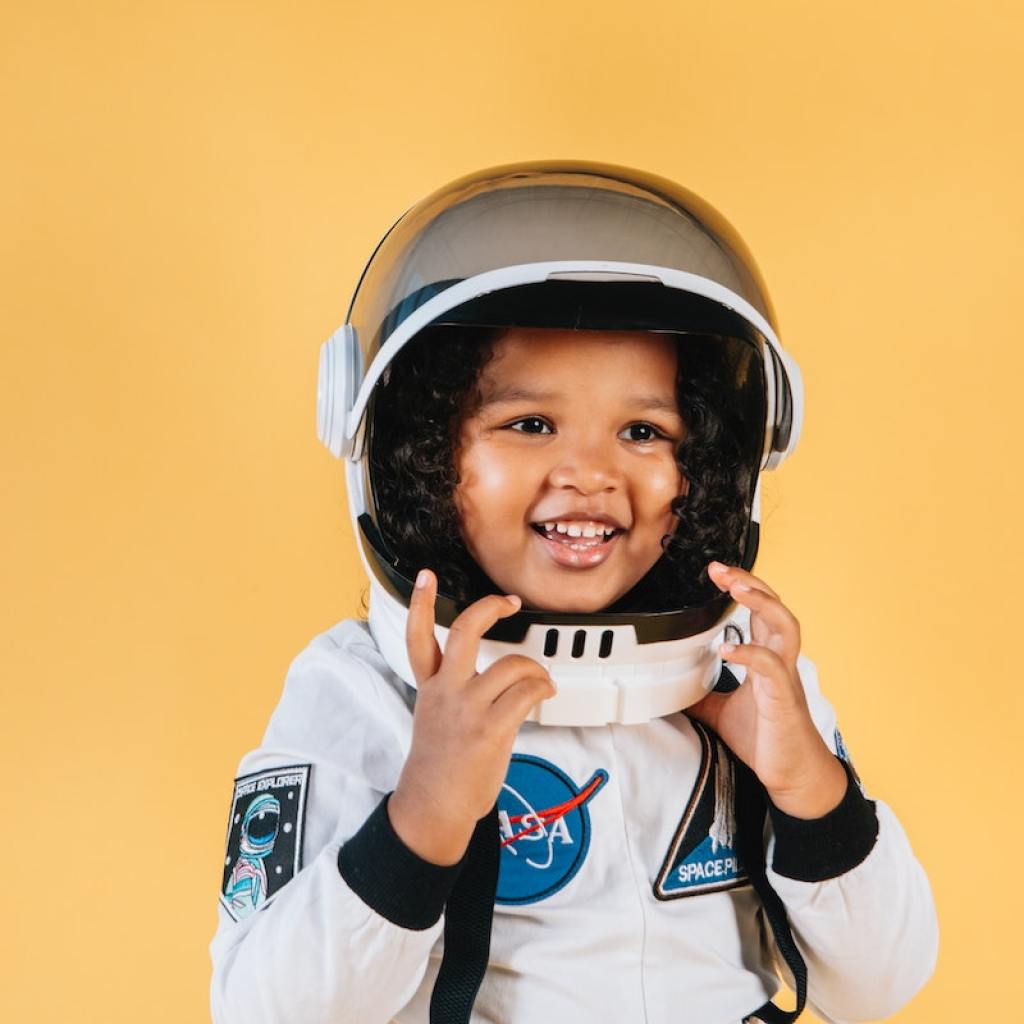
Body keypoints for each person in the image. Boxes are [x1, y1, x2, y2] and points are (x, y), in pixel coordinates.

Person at [209, 162, 938, 1023]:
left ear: (705, 466)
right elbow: (267, 1009)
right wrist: (423, 815)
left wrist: (811, 791)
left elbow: (878, 986)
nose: (589, 472)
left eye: (644, 431)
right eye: (530, 424)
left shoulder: (748, 679)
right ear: (424, 455)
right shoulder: (364, 692)